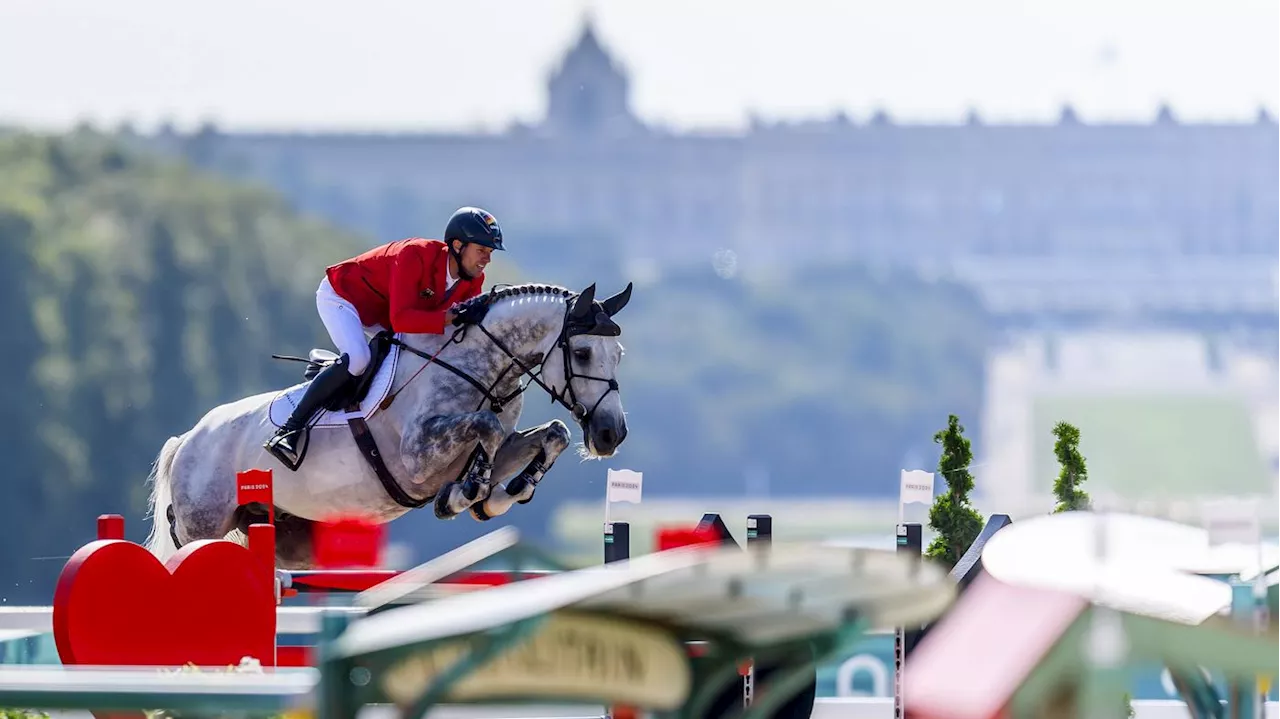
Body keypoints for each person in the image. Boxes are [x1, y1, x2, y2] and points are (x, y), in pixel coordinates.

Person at [263, 206, 506, 467]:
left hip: (384, 315)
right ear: (457, 245)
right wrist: (453, 316)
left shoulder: (472, 281)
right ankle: (289, 430)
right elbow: (404, 319)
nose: (487, 260)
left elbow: (451, 333)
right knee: (358, 359)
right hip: (345, 298)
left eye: (490, 253)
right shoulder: (415, 254)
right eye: (482, 250)